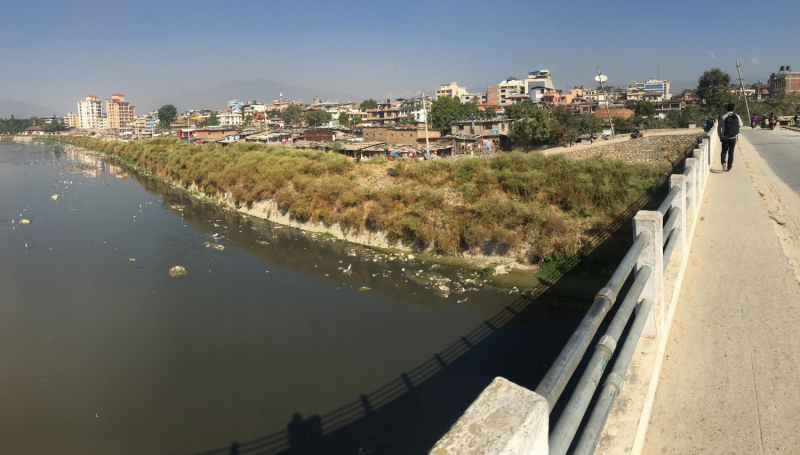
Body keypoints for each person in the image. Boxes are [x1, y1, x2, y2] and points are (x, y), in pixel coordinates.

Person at [718, 103, 743, 172]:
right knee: (731, 153)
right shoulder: (737, 116)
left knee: (724, 151)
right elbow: (741, 124)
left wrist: (720, 136)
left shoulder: (722, 117)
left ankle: (723, 162)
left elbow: (718, 128)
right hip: (733, 138)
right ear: (733, 109)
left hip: (724, 138)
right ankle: (729, 167)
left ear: (727, 109)